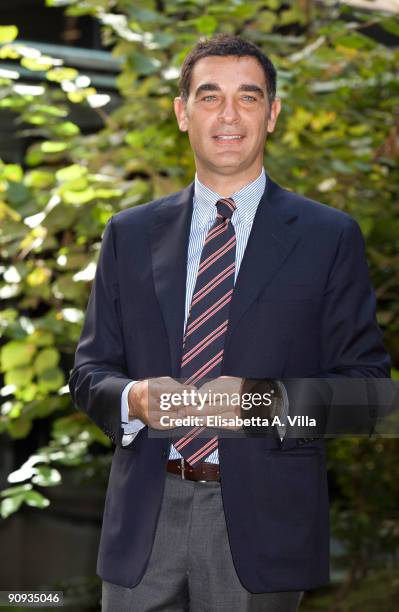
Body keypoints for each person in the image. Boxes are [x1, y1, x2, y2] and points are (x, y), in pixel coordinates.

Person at [69, 34, 390, 612]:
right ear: (181, 111)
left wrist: (256, 404)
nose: (228, 115)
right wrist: (136, 398)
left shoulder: (328, 237)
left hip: (262, 528)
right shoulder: (130, 233)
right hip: (144, 520)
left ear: (272, 114)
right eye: (210, 95)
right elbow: (90, 372)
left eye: (248, 97)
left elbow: (370, 396)